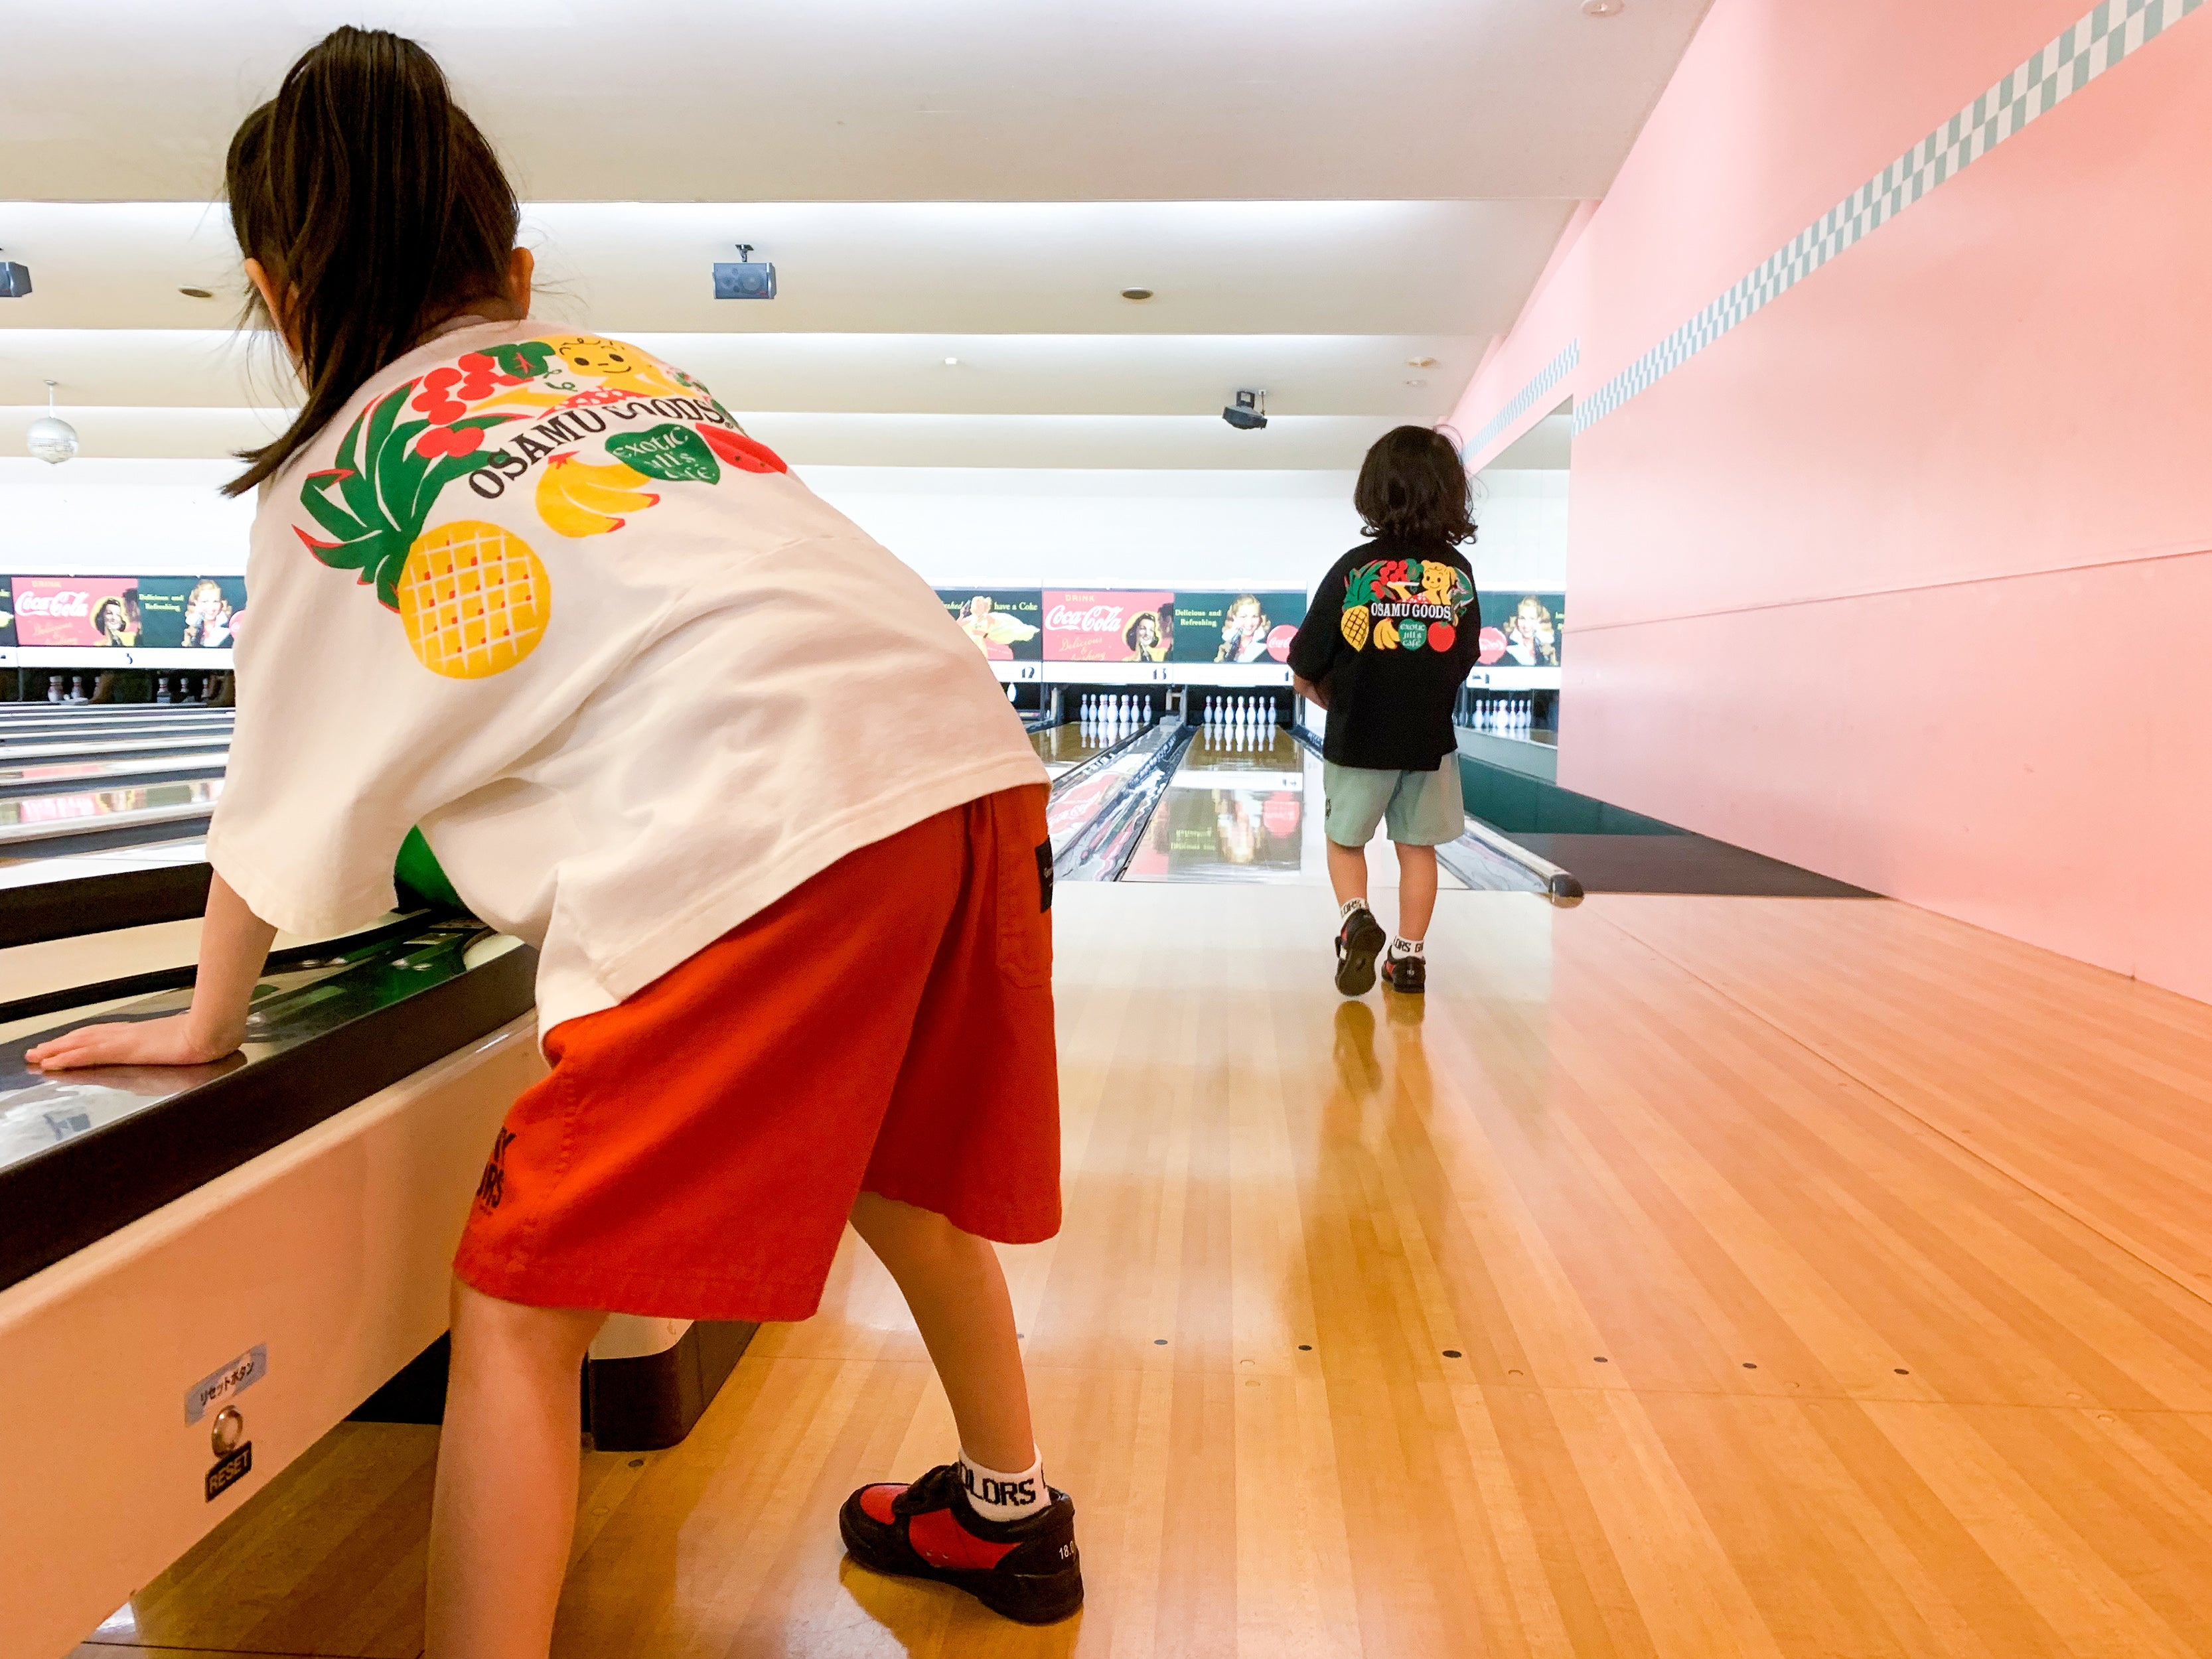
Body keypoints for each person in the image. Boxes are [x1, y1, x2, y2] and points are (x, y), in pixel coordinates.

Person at [27, 28, 1081, 1655]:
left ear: (269, 286)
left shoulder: (330, 479)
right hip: (958, 763)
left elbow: (278, 793)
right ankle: (1010, 1517)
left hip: (757, 810)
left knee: (521, 1305)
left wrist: (208, 1023)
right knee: (906, 1170)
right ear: (515, 269)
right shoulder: (625, 370)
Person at [1286, 426, 1481, 997]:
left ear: (1373, 492)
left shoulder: (1354, 569)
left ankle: (1355, 919)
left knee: (1345, 840)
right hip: (1428, 743)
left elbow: (1305, 659)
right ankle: (1410, 960)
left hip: (1358, 737)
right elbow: (1463, 655)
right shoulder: (1458, 574)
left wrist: (1324, 694)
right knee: (1417, 848)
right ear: (1450, 493)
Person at [1213, 593, 1273, 663]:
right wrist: (1221, 657)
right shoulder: (1223, 642)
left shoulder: (1269, 644)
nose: (1249, 623)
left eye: (1255, 617)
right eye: (1243, 617)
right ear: (1234, 617)